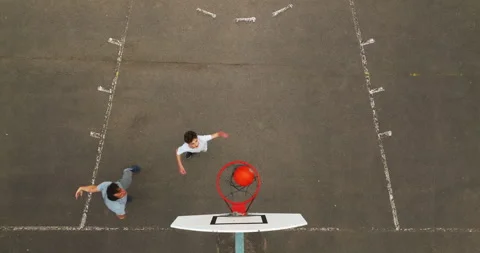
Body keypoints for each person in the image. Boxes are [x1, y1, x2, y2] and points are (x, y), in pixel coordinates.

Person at [74, 165, 141, 219]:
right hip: (121, 202)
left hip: (120, 186)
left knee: (127, 181)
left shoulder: (107, 185)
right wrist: (123, 213)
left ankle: (128, 170)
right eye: (121, 194)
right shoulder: (118, 207)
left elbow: (92, 189)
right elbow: (121, 217)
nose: (123, 191)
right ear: (116, 199)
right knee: (125, 198)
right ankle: (126, 199)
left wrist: (81, 188)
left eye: (120, 190)